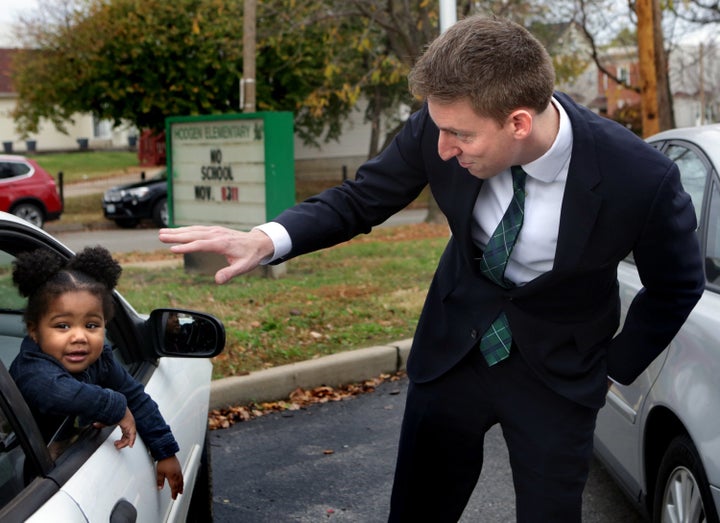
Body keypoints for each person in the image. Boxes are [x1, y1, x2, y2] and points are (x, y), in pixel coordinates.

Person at [158, 15, 705, 522]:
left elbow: (676, 284)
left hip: (559, 376)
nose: (441, 148)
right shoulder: (441, 123)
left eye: (460, 136)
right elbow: (360, 199)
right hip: (451, 356)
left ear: (518, 122)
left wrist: (612, 365)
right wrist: (267, 238)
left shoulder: (641, 178)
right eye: (438, 129)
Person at [9, 246, 184, 500]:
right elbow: (61, 394)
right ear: (34, 331)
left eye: (91, 325)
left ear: (105, 325)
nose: (79, 336)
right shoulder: (33, 369)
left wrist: (165, 451)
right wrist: (115, 405)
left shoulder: (99, 359)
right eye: (62, 325)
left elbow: (135, 396)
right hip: (24, 477)